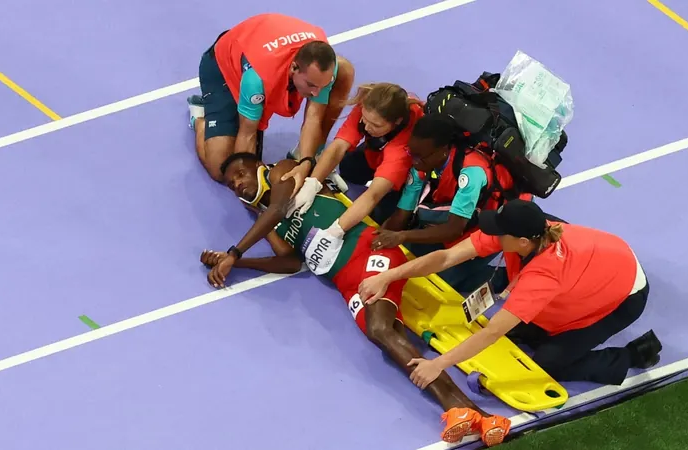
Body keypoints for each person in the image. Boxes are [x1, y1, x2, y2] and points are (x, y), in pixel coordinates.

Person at [201, 152, 511, 446]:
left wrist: (234, 253)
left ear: (259, 166)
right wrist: (238, 264)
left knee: (380, 330)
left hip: (367, 252)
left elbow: (279, 208)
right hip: (347, 282)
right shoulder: (265, 219)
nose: (238, 184)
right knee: (390, 341)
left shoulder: (282, 171)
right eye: (232, 184)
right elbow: (290, 261)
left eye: (241, 174)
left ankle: (470, 412)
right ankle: (473, 415)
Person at [359, 199, 662, 389]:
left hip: (624, 295)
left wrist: (437, 365)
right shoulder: (529, 232)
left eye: (500, 232)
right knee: (523, 329)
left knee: (547, 362)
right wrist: (388, 276)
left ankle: (632, 355)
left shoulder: (544, 275)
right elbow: (447, 258)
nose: (492, 233)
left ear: (521, 242)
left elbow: (492, 332)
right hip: (598, 267)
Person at [187, 13, 355, 182]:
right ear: (294, 68)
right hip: (223, 67)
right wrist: (251, 186)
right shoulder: (257, 80)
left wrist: (306, 162)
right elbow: (248, 133)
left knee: (344, 71)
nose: (317, 93)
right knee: (222, 169)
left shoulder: (322, 72)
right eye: (311, 85)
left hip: (258, 49)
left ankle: (312, 152)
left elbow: (314, 117)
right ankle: (200, 117)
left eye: (322, 86)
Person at [372, 113, 530, 293]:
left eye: (421, 157)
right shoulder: (421, 162)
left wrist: (402, 236)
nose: (415, 162)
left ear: (444, 150)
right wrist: (380, 237)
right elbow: (402, 213)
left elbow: (453, 230)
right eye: (411, 153)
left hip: (493, 224)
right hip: (455, 213)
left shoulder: (471, 174)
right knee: (393, 235)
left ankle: (501, 277)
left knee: (443, 280)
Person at [283, 82, 421, 227]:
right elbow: (339, 146)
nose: (367, 128)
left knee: (378, 215)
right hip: (375, 152)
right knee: (349, 166)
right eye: (365, 120)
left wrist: (336, 230)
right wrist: (312, 183)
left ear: (396, 122)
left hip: (405, 172)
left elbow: (373, 194)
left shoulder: (406, 141)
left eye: (376, 125)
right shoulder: (370, 103)